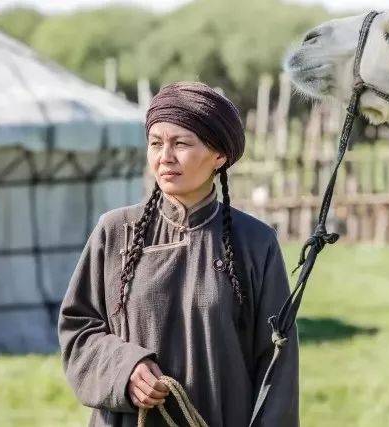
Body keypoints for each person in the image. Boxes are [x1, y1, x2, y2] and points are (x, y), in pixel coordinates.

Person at [58, 81, 299, 427]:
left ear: (219, 155)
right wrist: (125, 369)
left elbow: (278, 365)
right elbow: (79, 329)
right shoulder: (115, 232)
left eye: (181, 143)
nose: (164, 156)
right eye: (156, 143)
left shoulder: (256, 243)